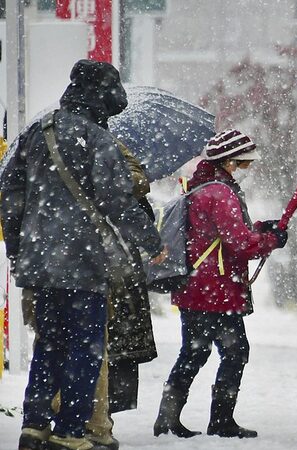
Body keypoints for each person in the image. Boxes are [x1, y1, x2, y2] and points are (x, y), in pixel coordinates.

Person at [1, 59, 165, 450]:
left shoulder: (36, 134)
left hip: (40, 263)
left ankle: (34, 424)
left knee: (48, 344)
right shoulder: (98, 140)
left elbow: (10, 196)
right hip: (84, 263)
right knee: (85, 346)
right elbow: (118, 202)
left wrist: (16, 248)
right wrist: (152, 243)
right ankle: (71, 431)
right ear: (102, 98)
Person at [153, 129, 289, 439]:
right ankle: (221, 420)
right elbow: (240, 244)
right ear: (228, 161)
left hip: (196, 286)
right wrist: (271, 240)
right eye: (243, 163)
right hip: (215, 289)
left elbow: (218, 234)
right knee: (235, 351)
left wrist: (259, 229)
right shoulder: (220, 193)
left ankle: (167, 417)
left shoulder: (200, 187)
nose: (247, 168)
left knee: (194, 351)